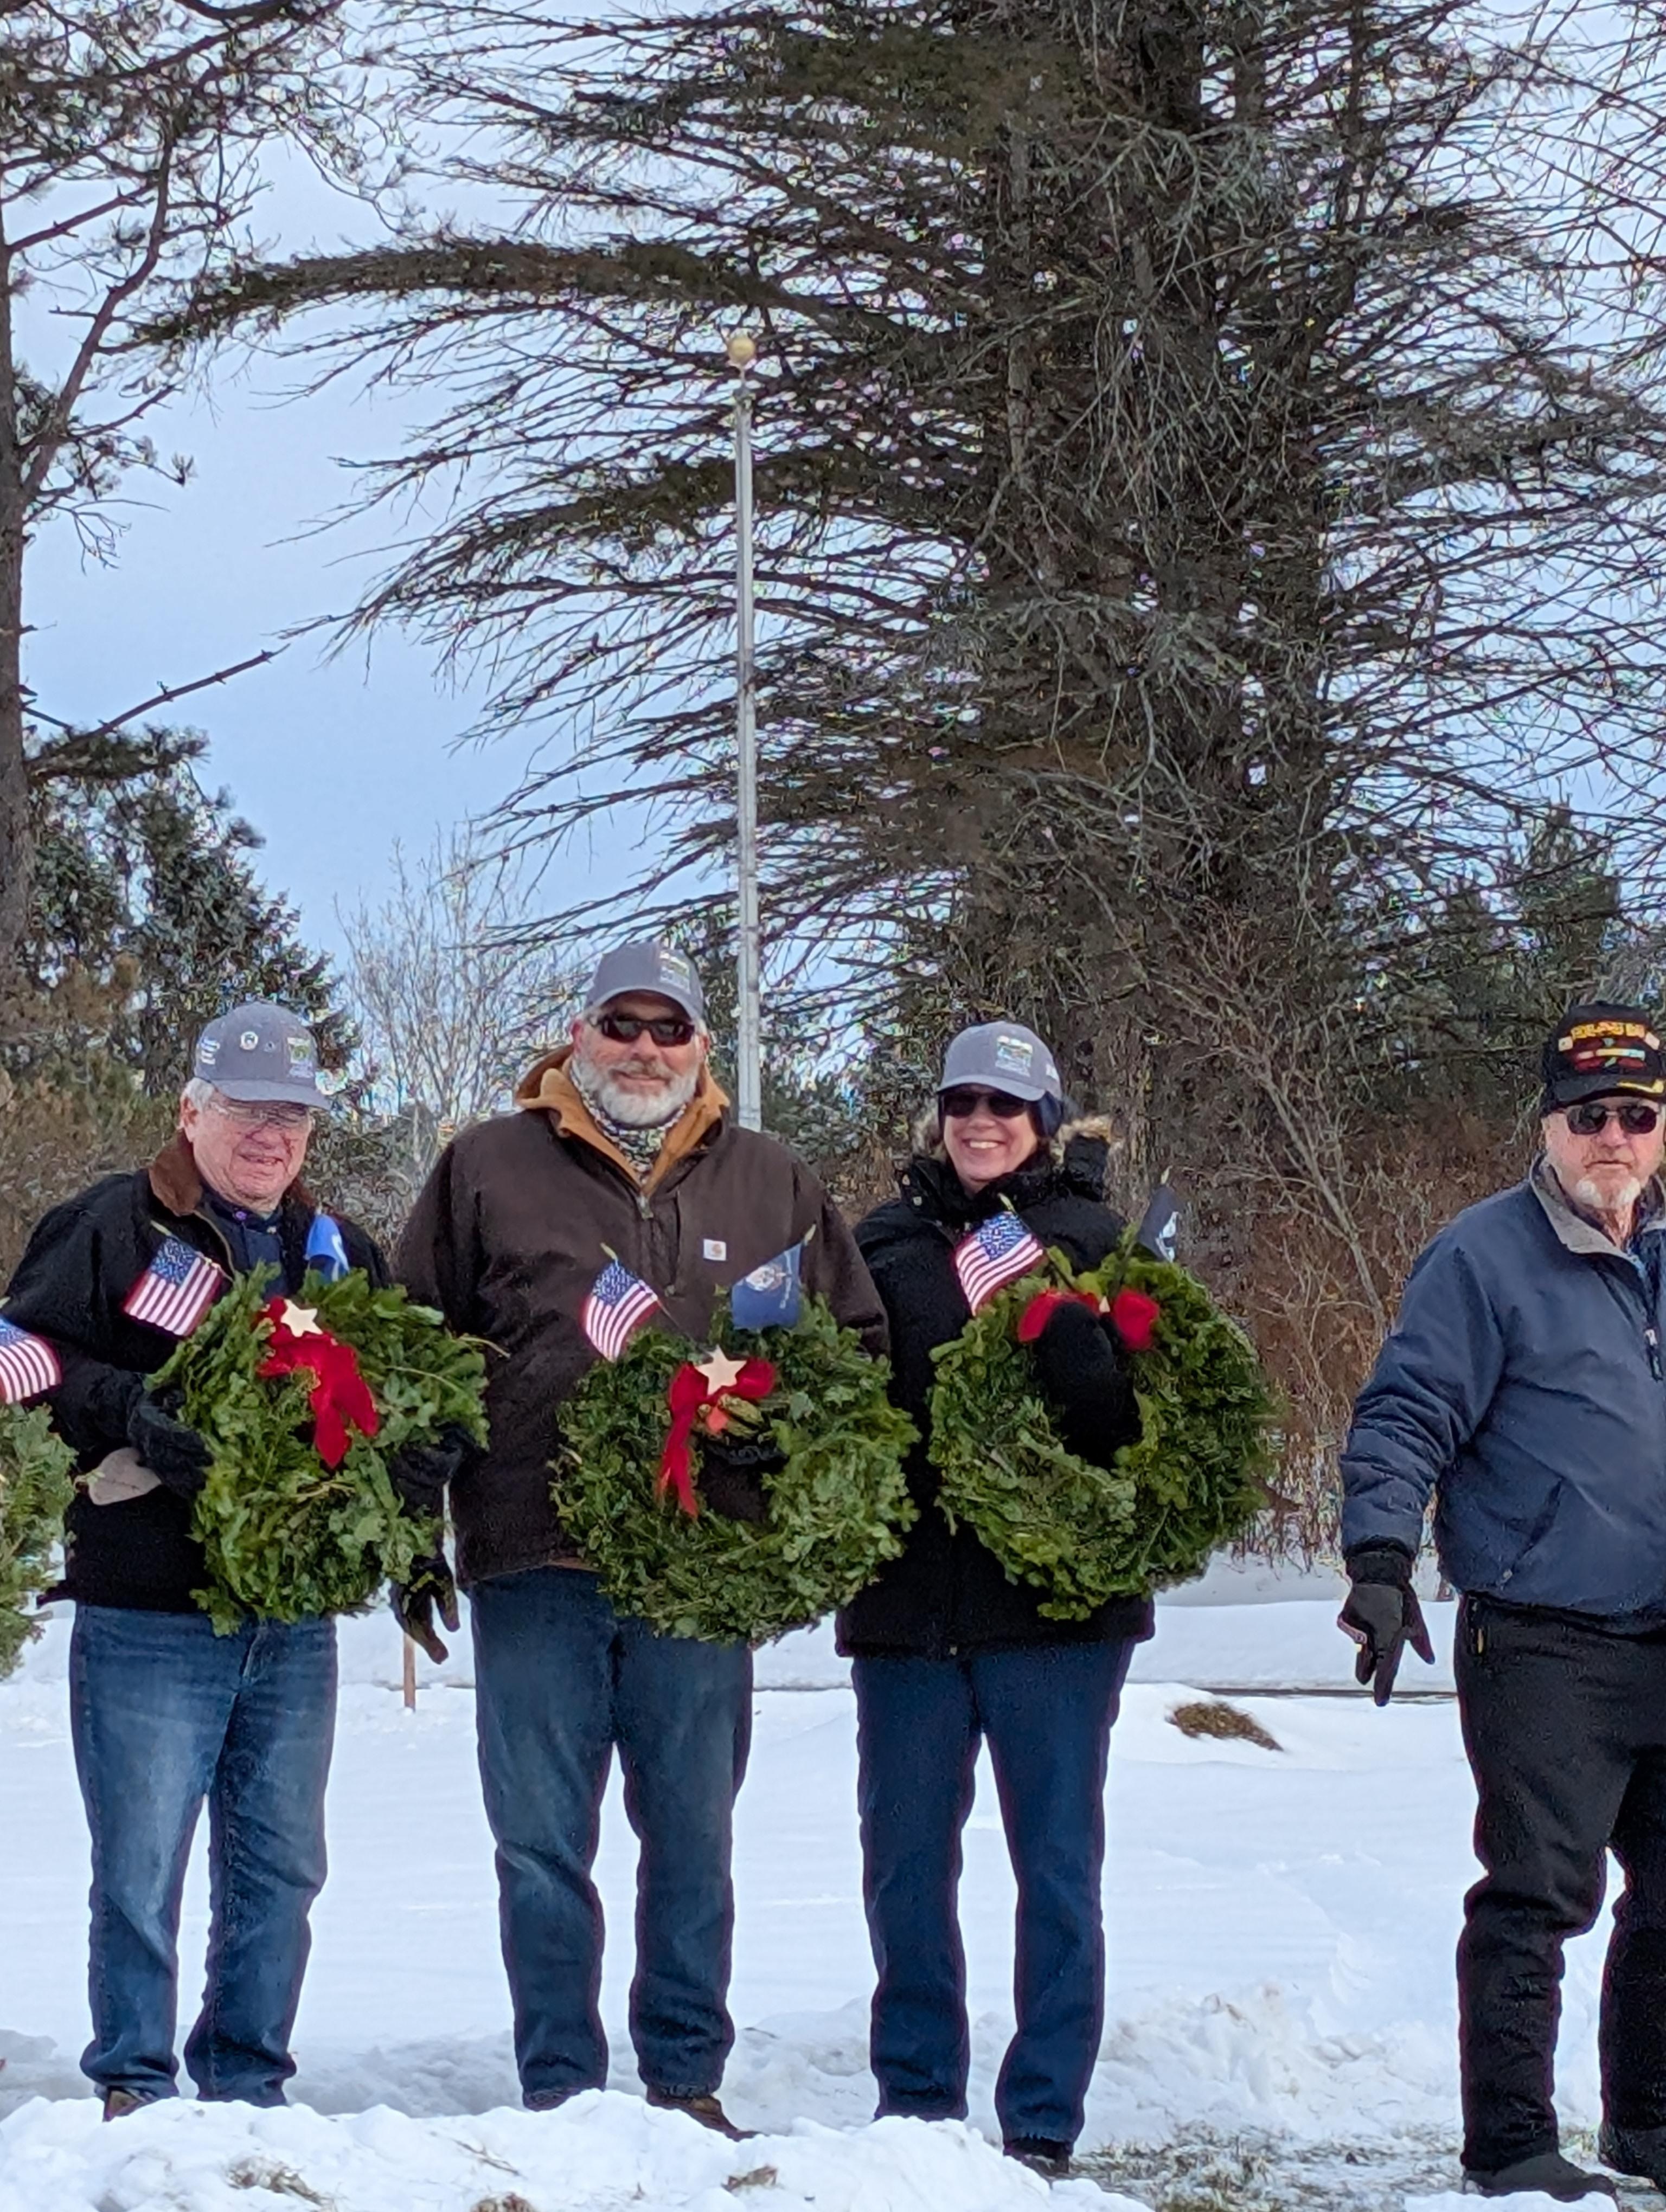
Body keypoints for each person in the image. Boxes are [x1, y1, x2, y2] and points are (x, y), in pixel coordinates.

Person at [395, 938, 886, 2135]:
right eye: (622, 1024)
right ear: (581, 1034)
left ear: (703, 1046)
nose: (645, 1049)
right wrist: (412, 1518)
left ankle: (683, 2078)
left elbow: (856, 1349)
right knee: (539, 1844)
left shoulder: (770, 1179)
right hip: (533, 1558)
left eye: (670, 1029)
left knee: (693, 1838)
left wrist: (783, 1442)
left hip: (702, 1574)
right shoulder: (487, 1166)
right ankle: (560, 2084)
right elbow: (414, 1347)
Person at [0, 1004, 389, 2118]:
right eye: (247, 1110)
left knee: (282, 1866)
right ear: (190, 1110)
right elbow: (18, 1350)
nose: (272, 1136)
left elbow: (399, 1385)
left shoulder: (340, 1251)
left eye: (293, 1117)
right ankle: (133, 2081)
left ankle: (248, 2078)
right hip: (148, 1611)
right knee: (141, 1867)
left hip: (293, 1616)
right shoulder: (110, 1225)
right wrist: (125, 1405)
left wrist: (413, 1467)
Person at [1339, 1002, 1666, 2203]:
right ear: (1548, 1126)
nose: (1613, 1139)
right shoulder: (1482, 1257)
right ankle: (1514, 2149)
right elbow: (1406, 1411)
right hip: (1543, 1634)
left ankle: (1650, 2126)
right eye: (1589, 1117)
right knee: (1538, 1895)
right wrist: (1381, 1558)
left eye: (1636, 1115)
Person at [834, 1020, 1150, 2181]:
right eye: (963, 1102)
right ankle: (918, 2103)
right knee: (906, 1866)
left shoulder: (1097, 1244)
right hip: (909, 1611)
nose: (981, 1123)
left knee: (1056, 1867)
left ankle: (1043, 2116)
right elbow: (837, 1400)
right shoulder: (881, 1243)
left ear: (1046, 1123)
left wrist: (1078, 1352)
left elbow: (1139, 1433)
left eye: (1006, 1107)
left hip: (1055, 1620)